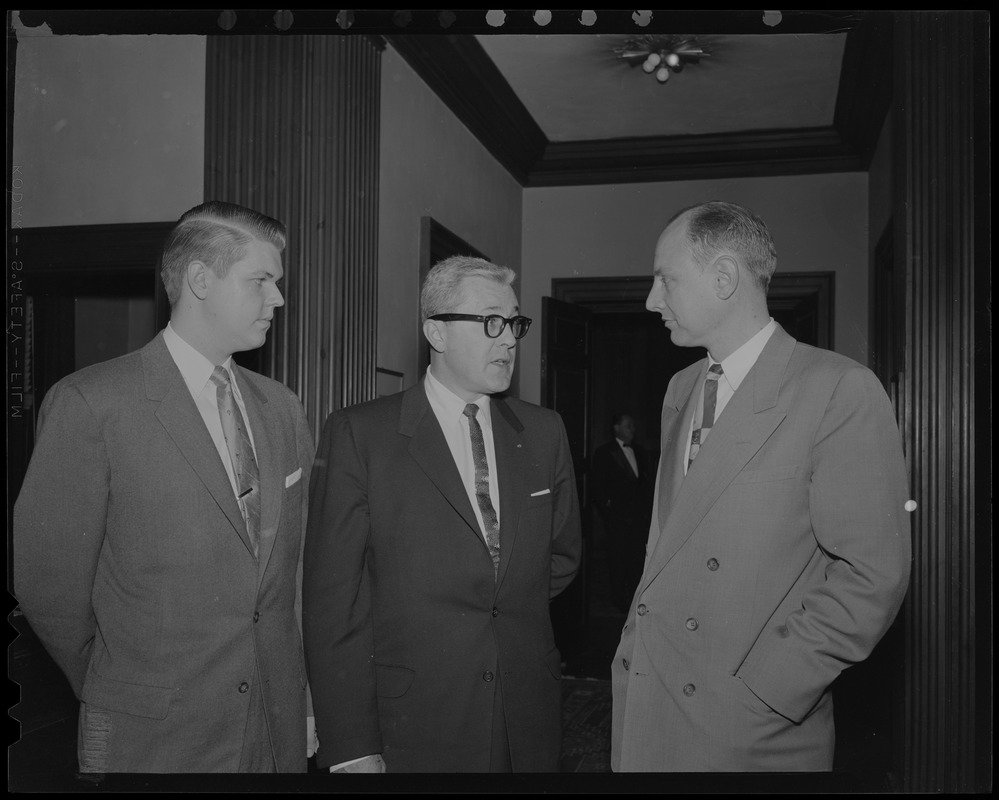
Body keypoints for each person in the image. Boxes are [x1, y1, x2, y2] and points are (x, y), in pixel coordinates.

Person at [13, 201, 316, 773]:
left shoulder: (281, 408)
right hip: (148, 737)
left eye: (278, 284)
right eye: (261, 281)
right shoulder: (92, 403)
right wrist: (118, 685)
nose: (277, 299)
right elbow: (47, 586)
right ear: (201, 279)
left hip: (274, 733)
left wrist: (301, 703)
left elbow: (290, 576)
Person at [612, 201, 911, 772]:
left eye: (665, 280)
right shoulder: (680, 388)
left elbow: (874, 574)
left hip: (747, 731)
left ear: (724, 278)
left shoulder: (838, 389)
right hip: (652, 696)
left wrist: (770, 688)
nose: (652, 300)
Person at [303, 255, 582, 773]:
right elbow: (332, 602)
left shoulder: (544, 432)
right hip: (411, 722)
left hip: (526, 717)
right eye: (491, 322)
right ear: (436, 331)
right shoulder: (361, 435)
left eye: (514, 324)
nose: (509, 340)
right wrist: (351, 746)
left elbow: (560, 558)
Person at [590, 413, 654, 612]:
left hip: (638, 520)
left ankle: (635, 600)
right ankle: (618, 600)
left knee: (636, 561)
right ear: (616, 427)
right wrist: (609, 511)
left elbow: (646, 485)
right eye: (628, 426)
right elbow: (597, 486)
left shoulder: (641, 452)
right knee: (617, 560)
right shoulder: (604, 452)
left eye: (633, 426)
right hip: (617, 519)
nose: (632, 430)